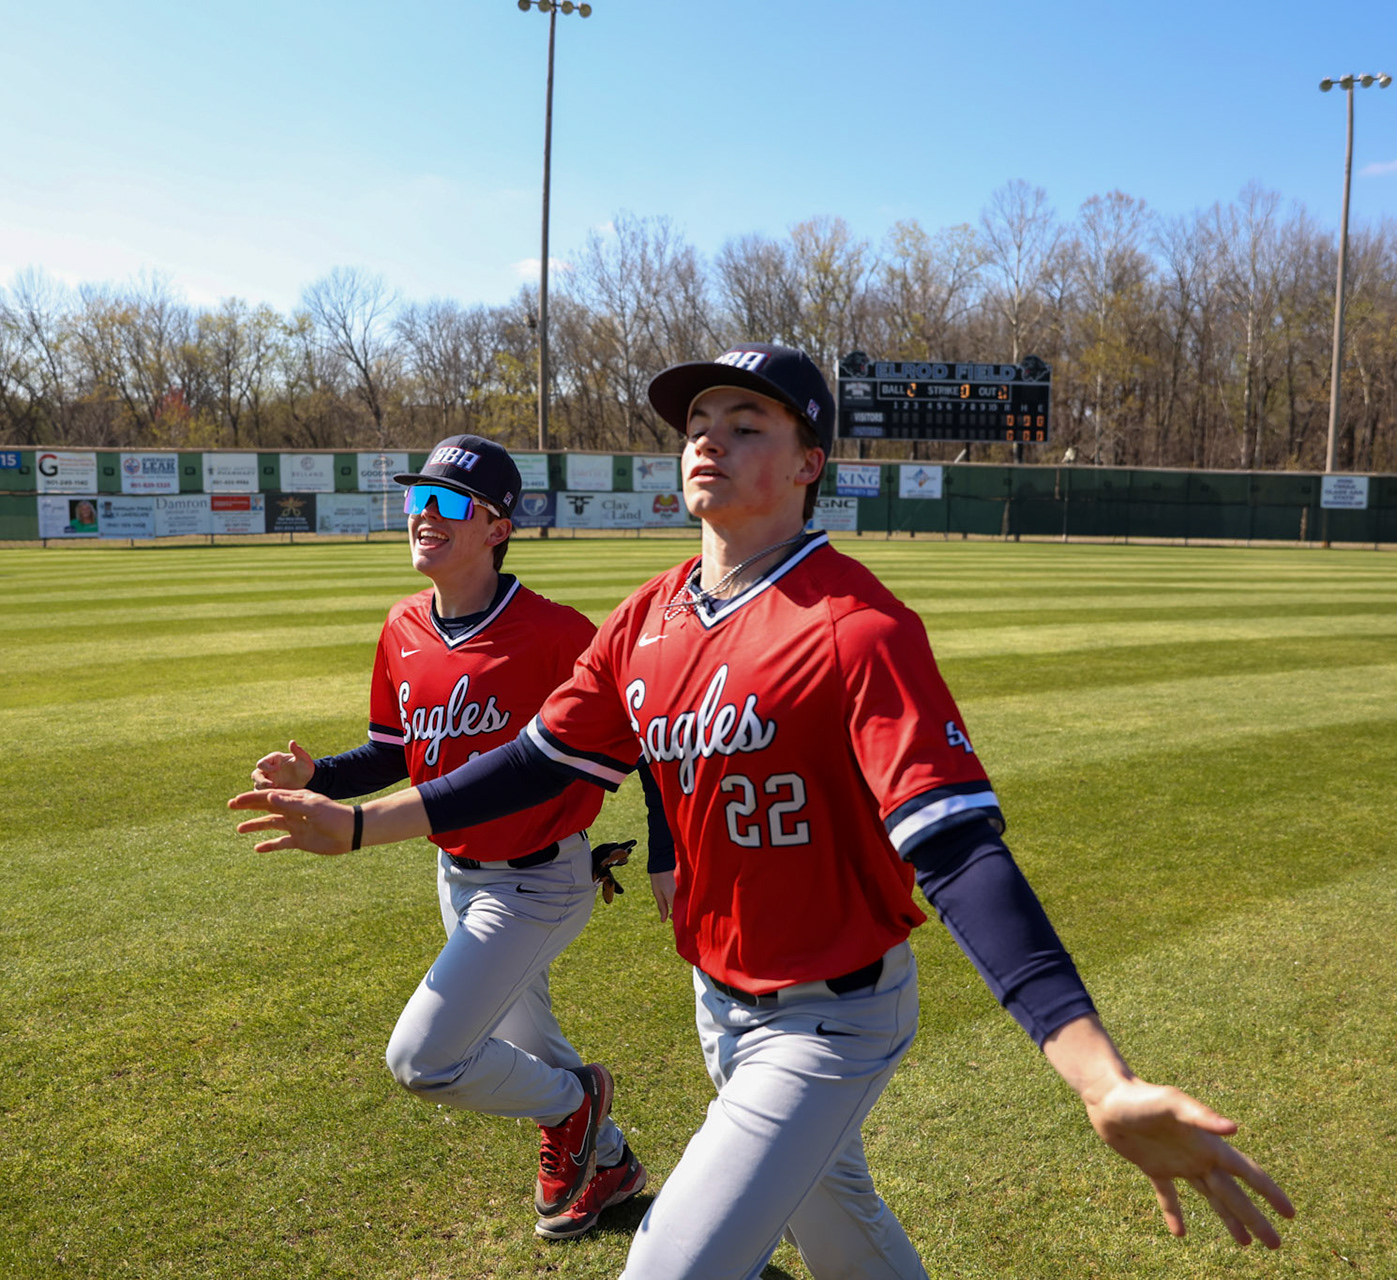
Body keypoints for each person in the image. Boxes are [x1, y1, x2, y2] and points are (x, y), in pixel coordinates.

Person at [233, 346, 1295, 1278]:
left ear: (808, 463)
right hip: (721, 1002)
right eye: (697, 422)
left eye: (748, 424)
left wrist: (1099, 1079)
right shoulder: (645, 618)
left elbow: (960, 851)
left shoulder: (857, 626)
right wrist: (363, 818)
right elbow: (535, 758)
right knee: (847, 1238)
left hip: (830, 1013)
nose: (710, 440)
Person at [245, 434, 674, 1241]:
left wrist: (666, 849)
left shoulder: (554, 633)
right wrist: (321, 778)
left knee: (425, 1059)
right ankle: (608, 1163)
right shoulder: (404, 626)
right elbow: (395, 750)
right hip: (457, 875)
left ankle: (576, 1105)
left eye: (445, 503)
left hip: (539, 881)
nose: (422, 517)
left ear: (497, 526)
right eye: (416, 500)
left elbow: (641, 735)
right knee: (527, 1039)